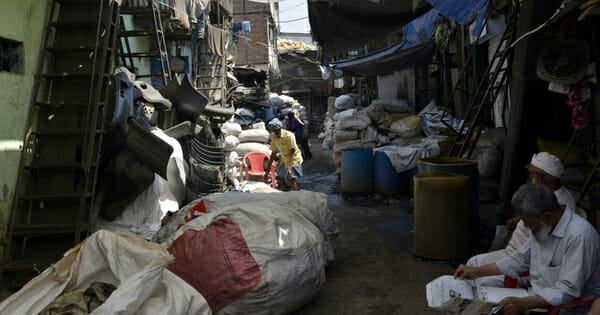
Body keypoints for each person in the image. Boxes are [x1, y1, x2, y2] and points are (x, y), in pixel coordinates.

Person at [454, 183, 600, 315]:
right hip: (535, 300)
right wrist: (477, 272)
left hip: (566, 309)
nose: (525, 226)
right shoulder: (543, 226)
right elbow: (520, 259)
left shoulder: (580, 236)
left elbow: (568, 290)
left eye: (527, 221)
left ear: (546, 216)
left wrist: (523, 304)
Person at [467, 152, 577, 287]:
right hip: (517, 255)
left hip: (530, 266)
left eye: (531, 174)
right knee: (473, 264)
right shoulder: (545, 196)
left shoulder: (558, 205)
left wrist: (483, 272)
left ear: (539, 177)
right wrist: (519, 218)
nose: (530, 178)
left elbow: (537, 256)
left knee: (482, 282)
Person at [266, 118, 303, 191]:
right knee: (280, 176)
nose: (275, 132)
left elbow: (293, 151)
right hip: (284, 158)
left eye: (277, 130)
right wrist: (268, 168)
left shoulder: (289, 136)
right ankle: (286, 195)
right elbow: (273, 153)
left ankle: (295, 195)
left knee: (291, 178)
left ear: (280, 128)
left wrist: (290, 168)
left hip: (294, 158)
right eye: (274, 131)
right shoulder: (274, 138)